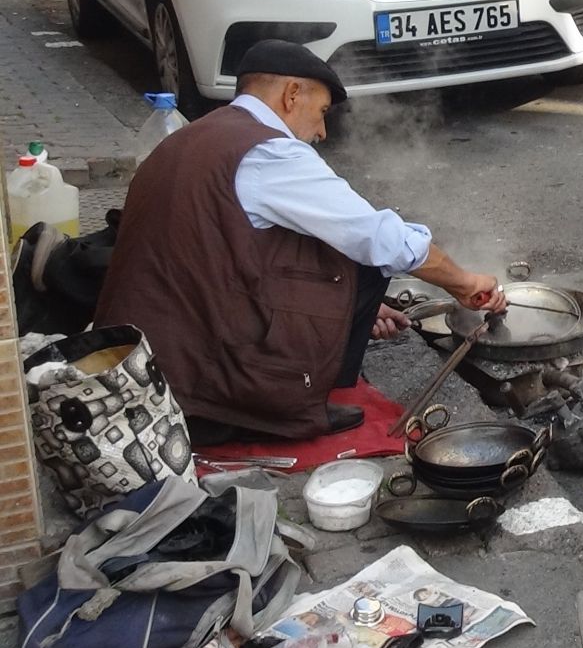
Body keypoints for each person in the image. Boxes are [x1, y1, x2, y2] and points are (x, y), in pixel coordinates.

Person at [95, 40, 509, 443]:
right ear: (292, 94)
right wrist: (463, 282)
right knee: (361, 253)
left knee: (335, 243)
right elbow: (377, 235)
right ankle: (272, 408)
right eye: (322, 112)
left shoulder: (195, 136)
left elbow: (222, 254)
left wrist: (357, 308)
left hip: (151, 360)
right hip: (201, 390)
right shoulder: (268, 153)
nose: (323, 131)